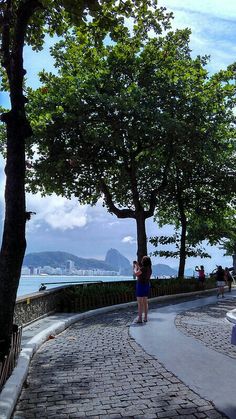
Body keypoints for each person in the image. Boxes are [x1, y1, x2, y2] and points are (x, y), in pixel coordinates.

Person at [134, 256, 152, 323]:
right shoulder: (149, 269)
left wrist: (135, 268)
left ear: (144, 261)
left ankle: (140, 319)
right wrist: (138, 266)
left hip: (140, 285)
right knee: (145, 302)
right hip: (146, 285)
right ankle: (145, 318)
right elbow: (141, 271)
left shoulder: (143, 269)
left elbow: (136, 273)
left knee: (140, 303)